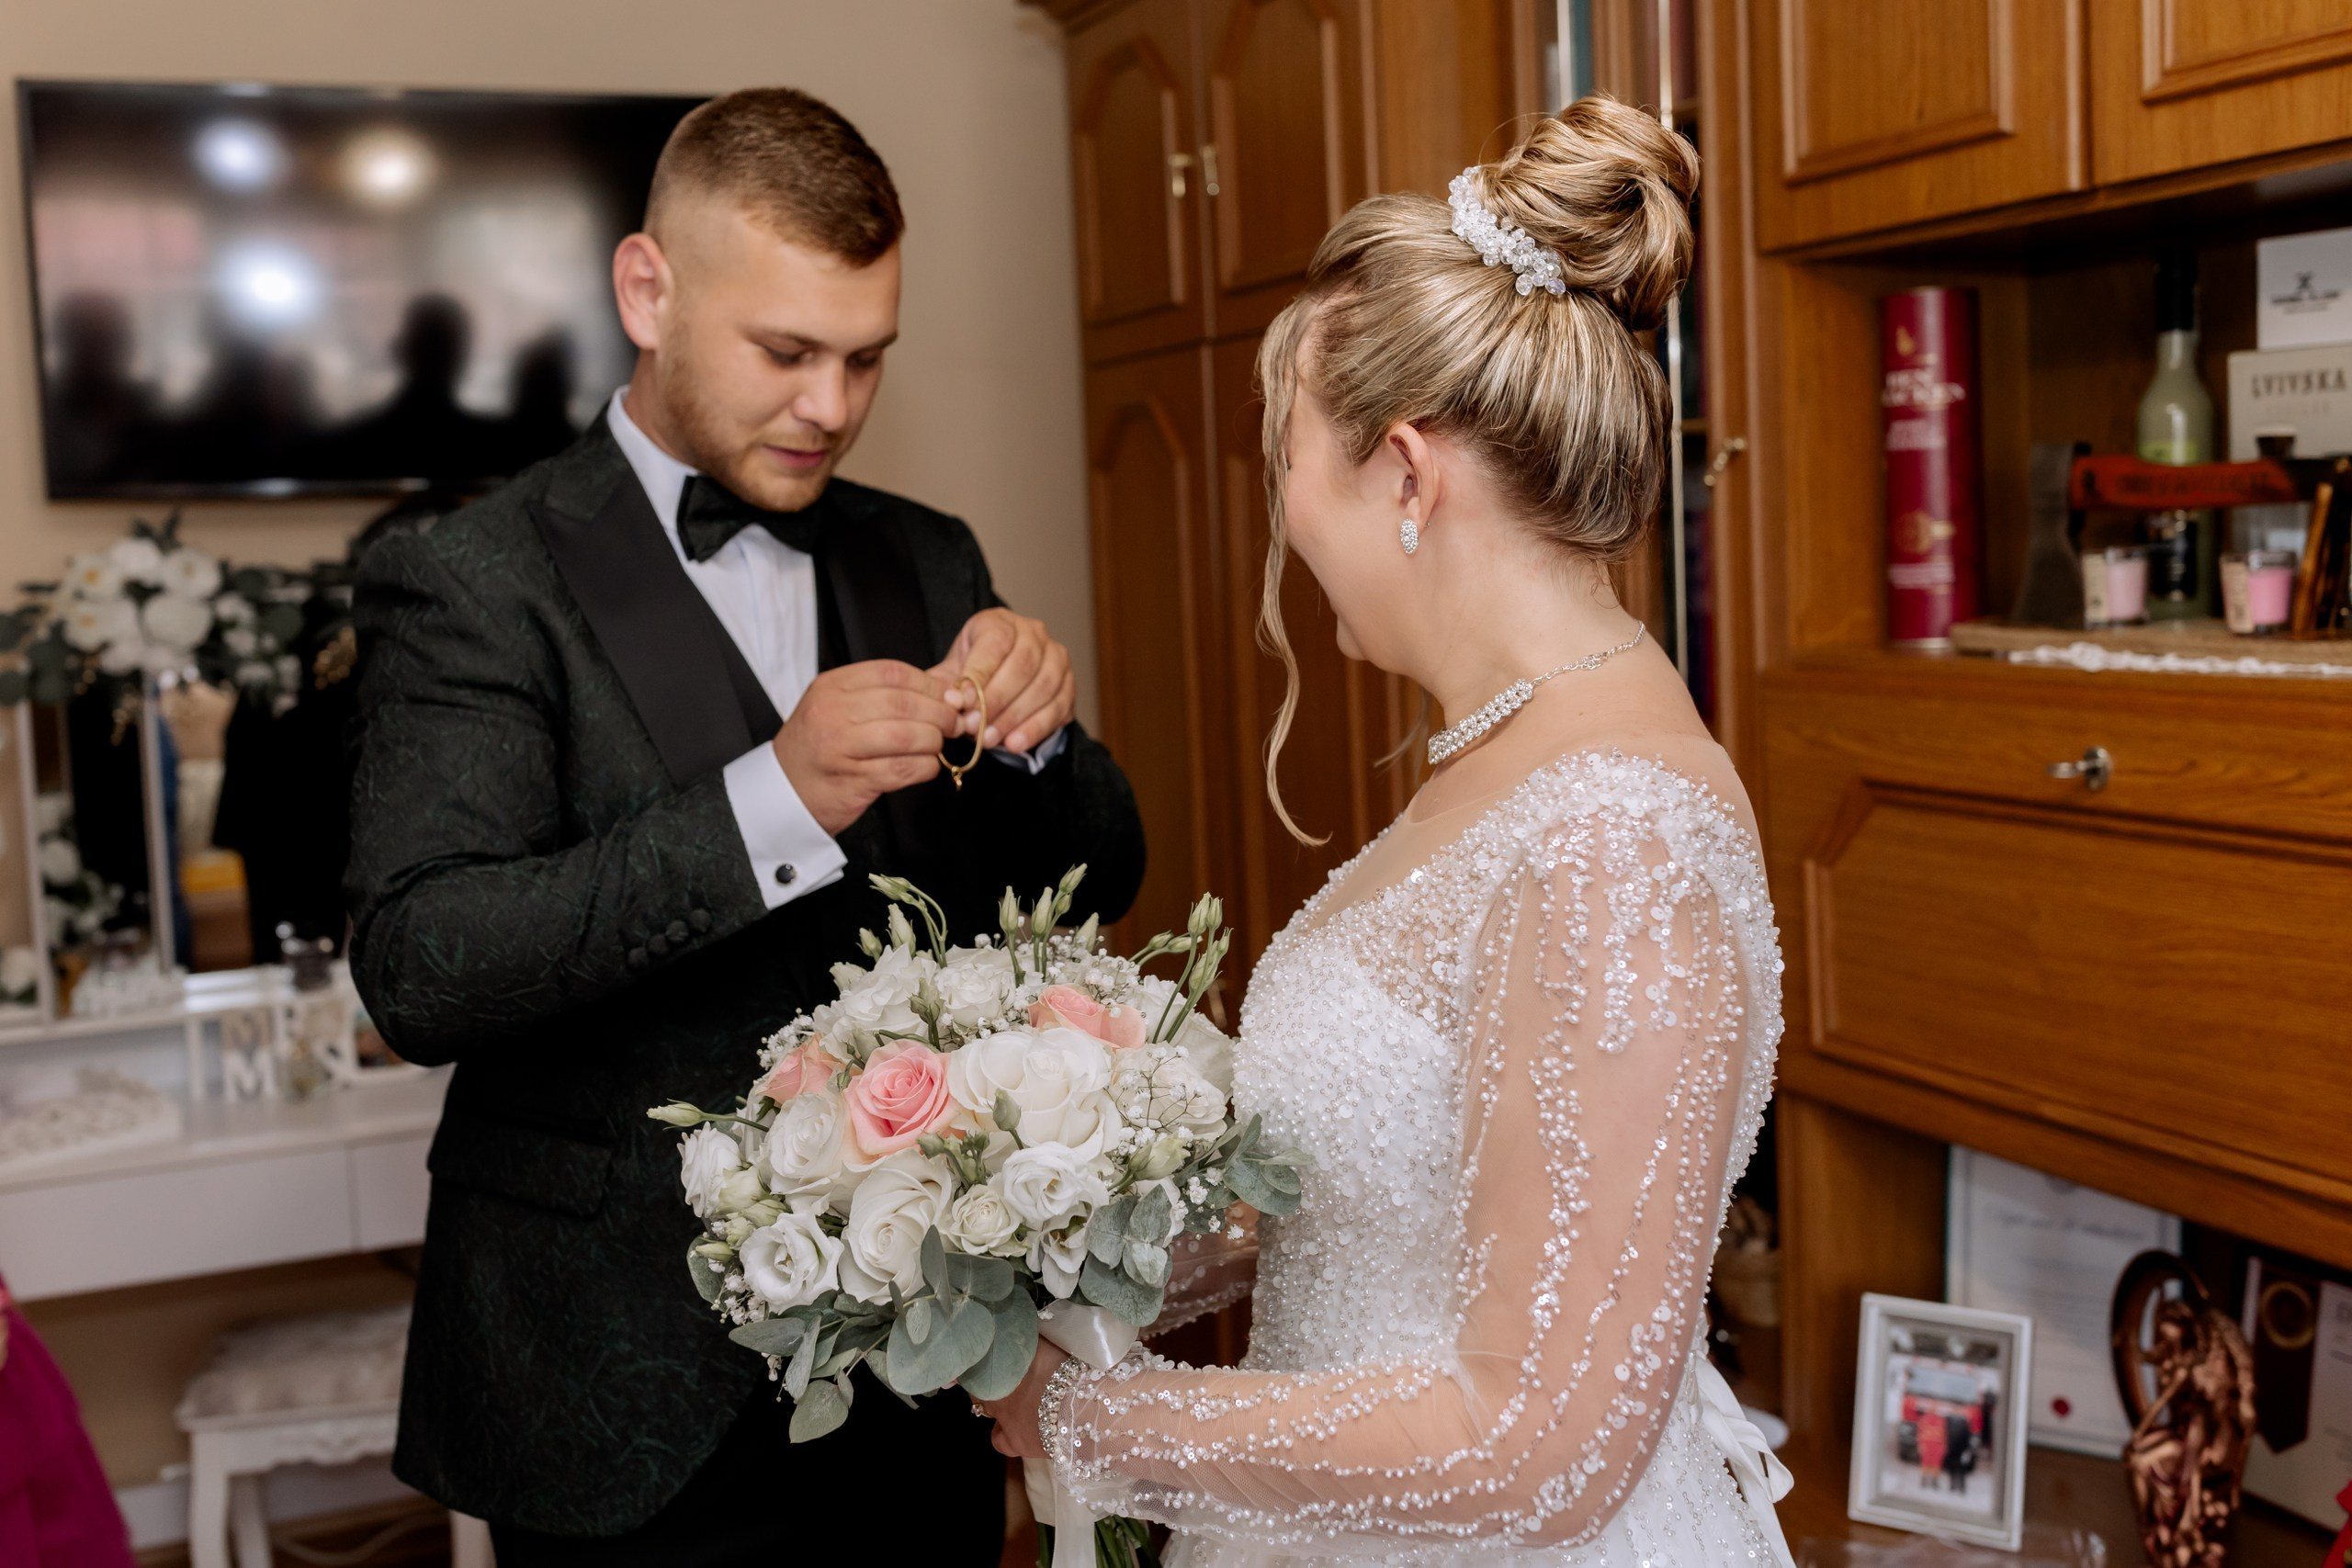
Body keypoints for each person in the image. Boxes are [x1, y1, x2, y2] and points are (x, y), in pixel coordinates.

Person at [978, 96, 1793, 1566]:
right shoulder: (1503, 750)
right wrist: (1043, 1219)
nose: (1281, 513)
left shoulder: (1614, 835)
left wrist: (1094, 1424)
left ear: (1408, 476)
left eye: (1287, 458)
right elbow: (1392, 1192)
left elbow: (1538, 1450)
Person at [345, 87, 1145, 1565]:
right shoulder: (472, 579)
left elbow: (1090, 884)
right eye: (786, 352)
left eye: (866, 359)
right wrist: (770, 799)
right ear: (647, 290)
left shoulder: (926, 552)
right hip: (614, 1386)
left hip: (920, 1365)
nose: (831, 406)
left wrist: (1043, 746)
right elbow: (423, 962)